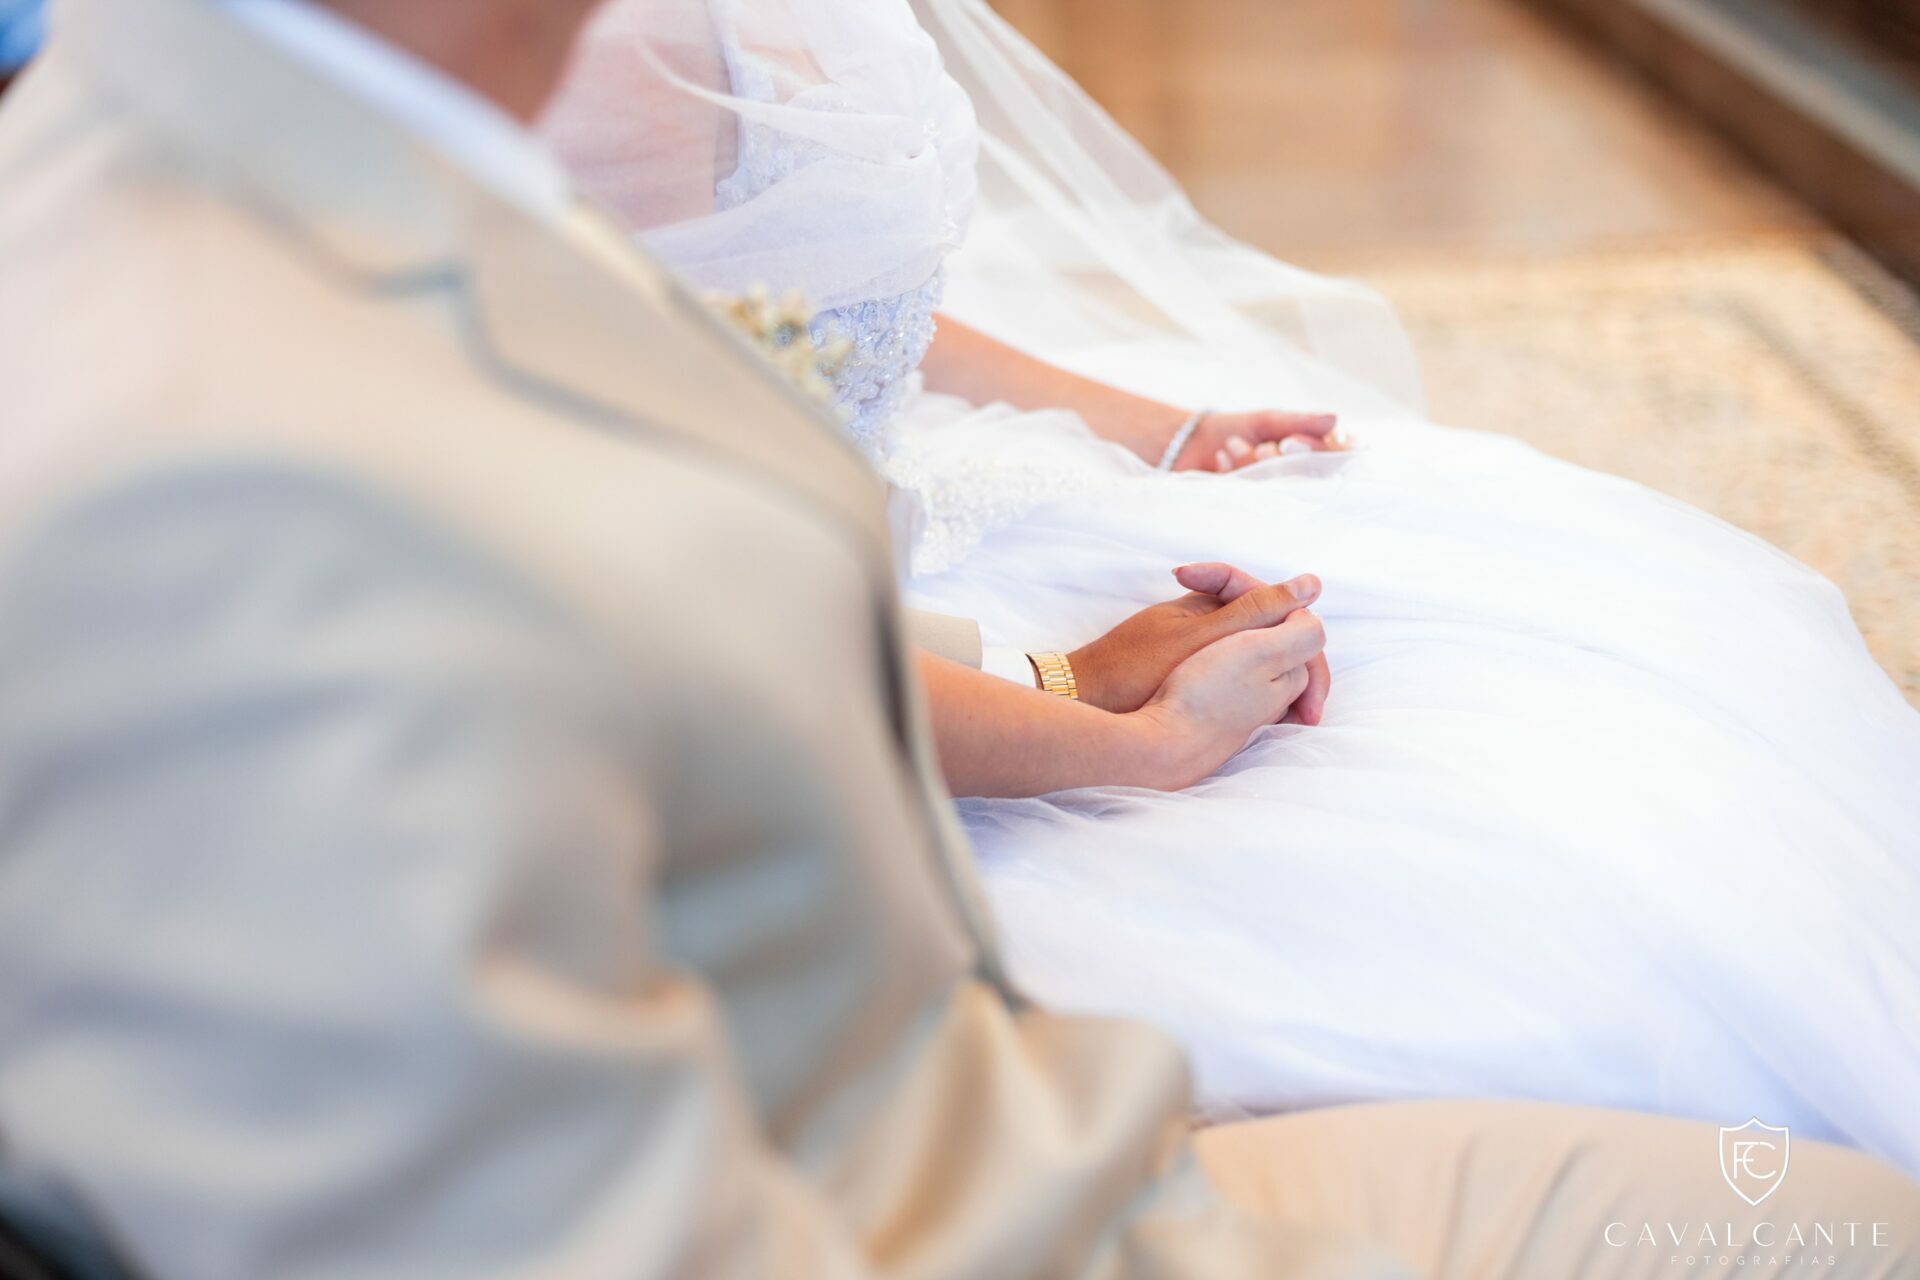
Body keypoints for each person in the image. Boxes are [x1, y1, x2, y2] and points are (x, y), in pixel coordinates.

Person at [1, 2, 1917, 1278]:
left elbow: (685, 589)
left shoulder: (323, 146)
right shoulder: (248, 475)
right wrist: (1123, 745)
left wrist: (1071, 667)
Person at [540, 0, 1920, 1174]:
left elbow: (811, 290)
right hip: (807, 642)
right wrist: (1116, 725)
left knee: (1603, 606)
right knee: (1517, 877)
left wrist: (1155, 427)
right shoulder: (573, 57)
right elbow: (657, 611)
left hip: (886, 508)